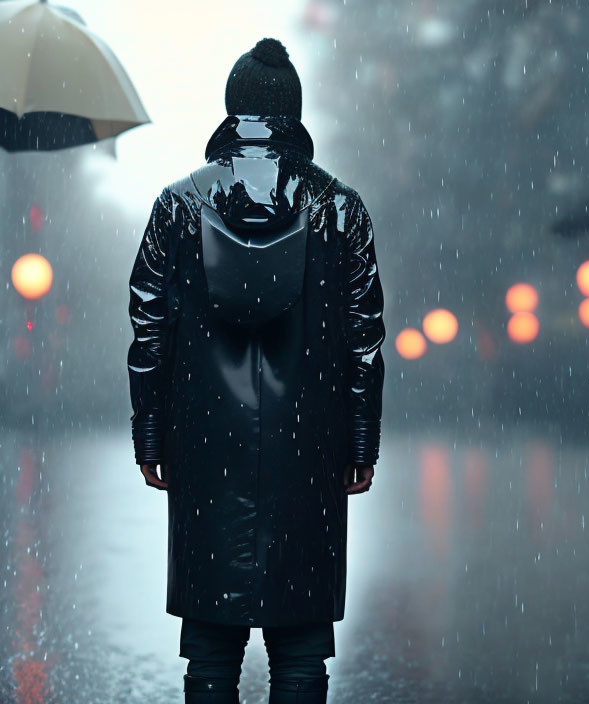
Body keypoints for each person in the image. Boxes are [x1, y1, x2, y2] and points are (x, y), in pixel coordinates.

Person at [125, 37, 386, 704]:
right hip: (309, 448)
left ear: (231, 110)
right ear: (292, 113)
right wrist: (359, 445)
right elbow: (363, 341)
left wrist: (151, 435)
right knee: (300, 645)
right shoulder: (339, 210)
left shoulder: (179, 207)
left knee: (211, 643)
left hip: (207, 448)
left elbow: (150, 328)